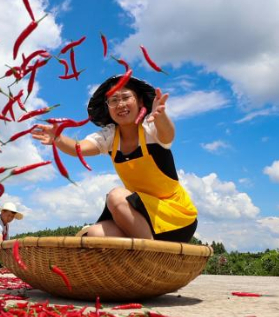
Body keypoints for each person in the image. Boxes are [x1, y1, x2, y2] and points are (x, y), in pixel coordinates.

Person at [32, 76, 198, 242]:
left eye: (126, 97)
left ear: (140, 102)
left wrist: (161, 116)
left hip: (177, 218)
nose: (120, 104)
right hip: (140, 218)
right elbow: (79, 148)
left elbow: (167, 135)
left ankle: (151, 257)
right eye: (113, 100)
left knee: (116, 196)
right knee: (95, 234)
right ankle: (147, 252)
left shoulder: (150, 127)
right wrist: (58, 139)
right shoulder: (110, 136)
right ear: (108, 107)